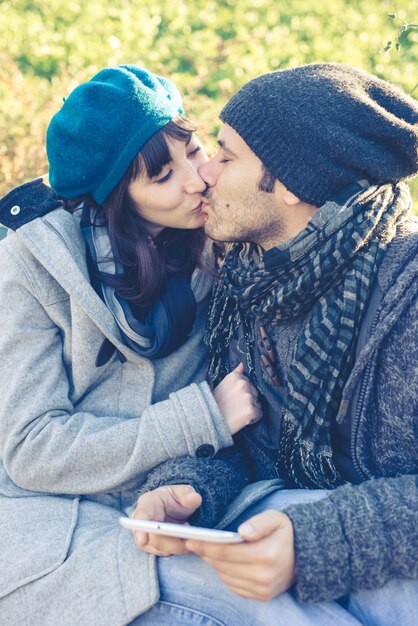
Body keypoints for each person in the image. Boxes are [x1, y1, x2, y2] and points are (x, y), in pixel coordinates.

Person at [131, 63, 418, 625]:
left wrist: (317, 542)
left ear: (291, 182)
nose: (205, 173)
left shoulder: (406, 296)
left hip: (395, 575)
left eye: (227, 155)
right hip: (305, 542)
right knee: (137, 583)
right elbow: (253, 444)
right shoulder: (249, 280)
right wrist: (186, 490)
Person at [0, 65, 262, 624]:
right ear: (118, 196)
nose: (196, 180)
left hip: (176, 504)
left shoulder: (215, 242)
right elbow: (31, 448)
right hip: (55, 524)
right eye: (163, 175)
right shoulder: (34, 266)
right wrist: (201, 417)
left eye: (192, 151)